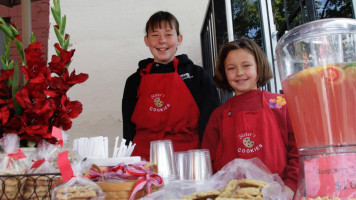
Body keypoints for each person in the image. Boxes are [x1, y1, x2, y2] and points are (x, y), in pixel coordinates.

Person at [201, 38, 299, 198]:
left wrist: (290, 187)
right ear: (224, 73)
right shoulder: (219, 114)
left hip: (279, 193)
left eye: (246, 65)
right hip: (231, 195)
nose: (239, 73)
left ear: (259, 66)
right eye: (231, 68)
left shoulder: (278, 103)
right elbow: (207, 162)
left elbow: (297, 148)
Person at [122, 11, 220, 161]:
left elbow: (210, 122)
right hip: (143, 159)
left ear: (179, 39)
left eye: (168, 34)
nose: (162, 40)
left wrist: (207, 159)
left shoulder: (197, 75)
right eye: (155, 35)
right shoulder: (134, 80)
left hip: (188, 158)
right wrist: (127, 162)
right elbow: (128, 131)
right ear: (146, 40)